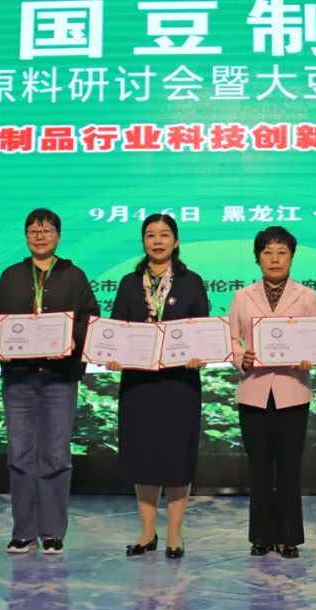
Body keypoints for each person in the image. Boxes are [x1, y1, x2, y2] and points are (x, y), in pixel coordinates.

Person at [0, 208, 99, 555]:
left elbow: (90, 318)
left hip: (60, 379)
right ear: (26, 236)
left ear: (58, 236)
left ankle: (52, 532)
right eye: (33, 230)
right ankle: (23, 531)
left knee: (56, 456)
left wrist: (70, 341)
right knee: (19, 456)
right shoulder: (11, 276)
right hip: (19, 379)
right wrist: (0, 342)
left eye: (47, 230)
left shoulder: (74, 276)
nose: (40, 236)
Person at [109, 214, 209, 559]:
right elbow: (116, 330)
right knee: (143, 456)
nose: (157, 241)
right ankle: (146, 532)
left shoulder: (192, 282)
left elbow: (204, 331)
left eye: (164, 235)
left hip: (180, 383)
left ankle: (175, 535)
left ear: (176, 242)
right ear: (143, 241)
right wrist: (113, 356)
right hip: (139, 384)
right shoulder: (128, 283)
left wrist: (199, 356)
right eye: (150, 235)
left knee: (177, 457)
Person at [228, 226, 316, 559]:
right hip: (254, 392)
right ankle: (261, 536)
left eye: (282, 252)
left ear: (292, 257)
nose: (275, 259)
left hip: (292, 390)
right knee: (260, 469)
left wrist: (310, 356)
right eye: (267, 252)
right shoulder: (242, 296)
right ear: (257, 258)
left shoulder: (307, 296)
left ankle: (289, 537)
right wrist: (242, 357)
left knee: (289, 467)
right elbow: (230, 339)